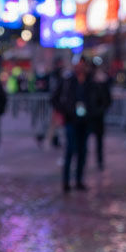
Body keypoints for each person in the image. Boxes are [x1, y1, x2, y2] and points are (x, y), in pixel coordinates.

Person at [52, 58, 93, 192]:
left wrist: (94, 111)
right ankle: (66, 181)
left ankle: (79, 180)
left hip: (85, 121)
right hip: (71, 121)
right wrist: (65, 110)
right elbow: (54, 98)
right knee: (70, 150)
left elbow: (99, 98)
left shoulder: (90, 82)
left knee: (82, 151)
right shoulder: (68, 81)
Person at [88, 59, 112, 171]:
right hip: (90, 114)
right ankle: (87, 161)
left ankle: (99, 161)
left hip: (98, 114)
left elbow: (107, 97)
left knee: (99, 140)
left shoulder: (103, 80)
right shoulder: (88, 79)